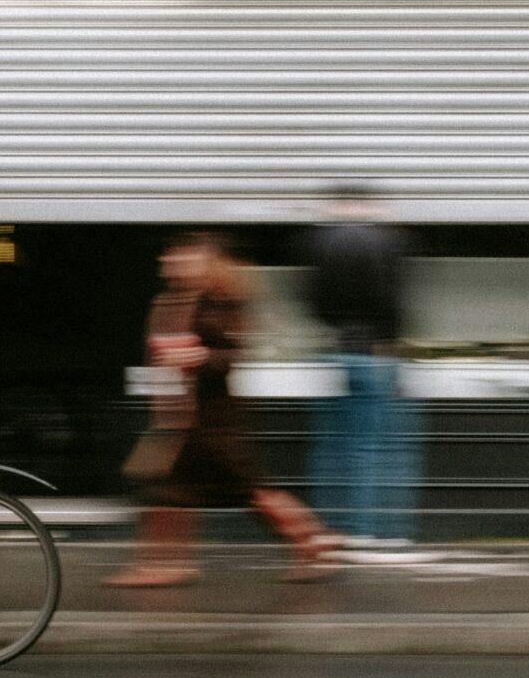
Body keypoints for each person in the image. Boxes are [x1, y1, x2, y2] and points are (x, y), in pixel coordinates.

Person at [109, 233, 335, 588]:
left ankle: (314, 543)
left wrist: (198, 356)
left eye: (182, 258)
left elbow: (231, 357)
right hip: (182, 419)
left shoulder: (223, 301)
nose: (169, 262)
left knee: (253, 493)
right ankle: (163, 564)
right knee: (167, 493)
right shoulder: (180, 299)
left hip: (215, 421)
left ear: (205, 263)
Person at [305, 183, 420, 554]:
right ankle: (370, 529)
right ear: (369, 204)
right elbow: (395, 300)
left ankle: (327, 526)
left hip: (337, 351)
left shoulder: (319, 243)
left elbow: (311, 301)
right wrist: (391, 343)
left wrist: (337, 329)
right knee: (377, 448)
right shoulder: (389, 242)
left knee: (333, 446)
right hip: (376, 353)